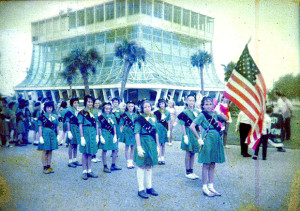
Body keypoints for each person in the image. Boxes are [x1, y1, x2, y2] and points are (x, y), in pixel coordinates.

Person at [190, 96, 228, 197]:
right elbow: (192, 126)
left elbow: (226, 119)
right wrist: (199, 138)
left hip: (216, 139)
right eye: (206, 104)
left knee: (212, 163)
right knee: (206, 164)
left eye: (210, 104)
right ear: (203, 105)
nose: (208, 106)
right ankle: (204, 187)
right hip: (207, 140)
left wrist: (219, 113)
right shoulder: (202, 115)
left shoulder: (215, 114)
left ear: (213, 105)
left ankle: (211, 186)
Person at [134, 100, 159, 199]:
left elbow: (155, 132)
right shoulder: (139, 118)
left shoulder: (154, 117)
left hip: (152, 143)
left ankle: (149, 187)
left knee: (149, 165)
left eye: (149, 106)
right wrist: (139, 147)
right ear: (142, 108)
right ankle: (141, 189)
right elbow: (137, 133)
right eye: (145, 107)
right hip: (143, 142)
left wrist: (157, 145)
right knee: (141, 165)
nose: (147, 108)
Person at [177, 94, 201, 180]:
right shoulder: (184, 112)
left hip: (195, 133)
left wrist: (200, 134)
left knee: (193, 152)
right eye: (189, 100)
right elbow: (183, 124)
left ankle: (191, 170)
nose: (191, 102)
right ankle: (187, 171)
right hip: (187, 132)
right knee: (188, 152)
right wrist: (185, 135)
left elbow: (198, 124)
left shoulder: (197, 112)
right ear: (187, 101)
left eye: (193, 100)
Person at [78, 95, 99, 180]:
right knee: (84, 152)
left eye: (91, 102)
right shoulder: (82, 113)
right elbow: (80, 125)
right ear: (85, 102)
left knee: (90, 152)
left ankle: (89, 170)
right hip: (85, 131)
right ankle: (84, 171)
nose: (90, 103)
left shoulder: (95, 112)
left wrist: (97, 135)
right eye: (89, 101)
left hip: (93, 132)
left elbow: (97, 124)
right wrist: (82, 137)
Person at [98, 102, 122, 173]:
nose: (107, 110)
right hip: (104, 134)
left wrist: (115, 135)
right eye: (106, 108)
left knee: (115, 149)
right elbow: (99, 127)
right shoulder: (101, 116)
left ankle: (113, 165)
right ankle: (105, 166)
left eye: (109, 108)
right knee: (104, 150)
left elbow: (114, 125)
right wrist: (101, 136)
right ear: (104, 109)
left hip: (111, 134)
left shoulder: (112, 116)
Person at [37, 101, 59, 174]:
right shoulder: (42, 117)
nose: (49, 109)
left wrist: (58, 135)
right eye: (48, 107)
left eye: (51, 107)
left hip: (52, 135)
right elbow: (40, 127)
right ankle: (44, 167)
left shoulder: (55, 116)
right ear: (45, 108)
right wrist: (40, 137)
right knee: (45, 150)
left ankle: (49, 166)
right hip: (45, 135)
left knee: (50, 150)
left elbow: (57, 126)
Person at [120, 101, 139, 169]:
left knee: (133, 147)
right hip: (127, 131)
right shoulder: (124, 114)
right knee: (127, 147)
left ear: (134, 107)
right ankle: (128, 161)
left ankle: (131, 161)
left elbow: (137, 124)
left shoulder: (136, 115)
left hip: (133, 132)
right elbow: (121, 124)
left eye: (132, 106)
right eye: (129, 106)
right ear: (127, 107)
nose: (130, 108)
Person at [65, 98, 82, 168]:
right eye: (75, 103)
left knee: (76, 145)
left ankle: (75, 159)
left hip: (77, 129)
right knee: (71, 145)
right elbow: (68, 122)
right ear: (72, 103)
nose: (76, 104)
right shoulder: (69, 111)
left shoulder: (78, 111)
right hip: (71, 128)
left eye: (77, 103)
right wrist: (69, 131)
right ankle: (70, 161)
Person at [154, 98, 171, 165]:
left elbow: (169, 121)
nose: (162, 105)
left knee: (163, 143)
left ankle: (162, 157)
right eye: (160, 104)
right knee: (158, 143)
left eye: (163, 104)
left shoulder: (167, 112)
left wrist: (169, 130)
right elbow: (154, 120)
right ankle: (158, 157)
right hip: (158, 127)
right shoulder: (156, 112)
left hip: (164, 128)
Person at [91, 99, 102, 163]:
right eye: (96, 103)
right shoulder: (92, 111)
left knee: (97, 142)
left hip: (99, 127)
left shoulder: (99, 111)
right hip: (94, 128)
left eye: (98, 103)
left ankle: (95, 155)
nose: (97, 105)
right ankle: (92, 156)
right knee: (94, 142)